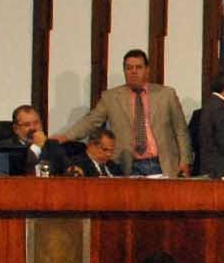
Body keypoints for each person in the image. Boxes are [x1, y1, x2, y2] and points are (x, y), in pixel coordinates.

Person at [56, 48, 190, 176]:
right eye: (129, 68)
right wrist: (66, 136)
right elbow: (91, 121)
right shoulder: (111, 97)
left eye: (138, 67)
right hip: (127, 165)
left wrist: (185, 162)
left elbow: (181, 131)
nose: (133, 72)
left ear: (147, 70)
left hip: (162, 164)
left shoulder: (166, 95)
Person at [7, 104, 51, 174]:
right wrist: (36, 147)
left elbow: (68, 169)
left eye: (36, 123)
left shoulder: (53, 146)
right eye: (27, 124)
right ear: (16, 129)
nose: (33, 128)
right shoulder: (6, 148)